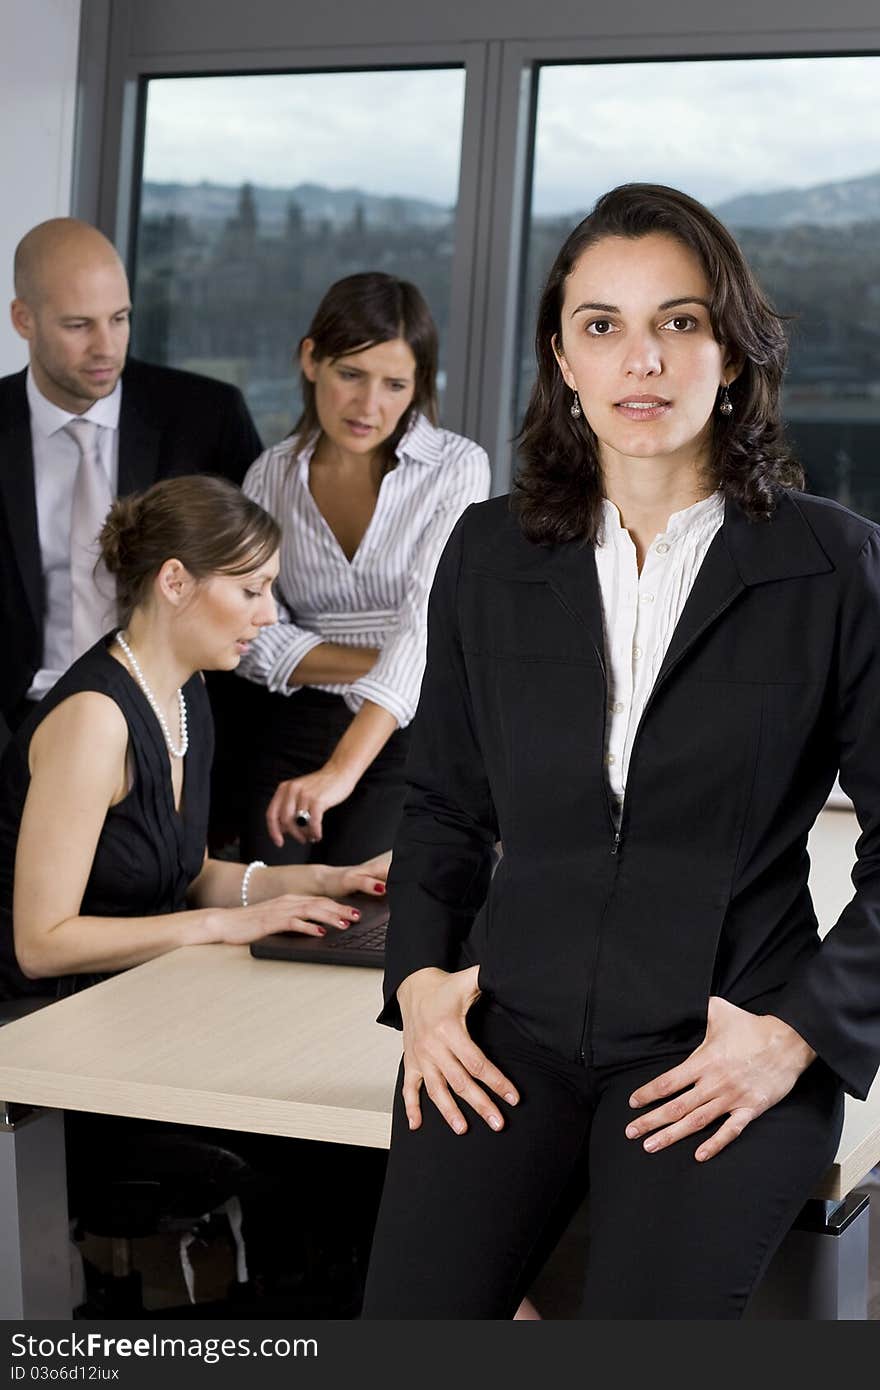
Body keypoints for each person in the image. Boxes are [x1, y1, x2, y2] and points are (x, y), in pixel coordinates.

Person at [361, 183, 880, 1319]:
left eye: (678, 322)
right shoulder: (489, 551)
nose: (639, 361)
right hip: (511, 1029)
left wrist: (799, 1034)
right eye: (603, 325)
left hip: (722, 1042)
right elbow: (444, 802)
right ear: (563, 353)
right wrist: (423, 987)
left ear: (731, 353)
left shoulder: (833, 565)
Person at [0, 473, 389, 1003]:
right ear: (175, 582)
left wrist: (328, 881)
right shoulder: (94, 720)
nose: (269, 614)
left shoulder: (187, 691)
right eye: (251, 589)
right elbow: (41, 945)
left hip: (132, 995)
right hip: (39, 1022)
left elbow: (190, 874)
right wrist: (218, 926)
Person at [234, 271, 490, 866]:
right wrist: (399, 661)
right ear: (310, 360)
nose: (369, 406)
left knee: (359, 924)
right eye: (350, 374)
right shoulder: (268, 477)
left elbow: (427, 624)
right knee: (264, 923)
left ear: (418, 385)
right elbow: (250, 636)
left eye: (395, 384)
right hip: (292, 728)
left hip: (410, 736)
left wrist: (340, 772)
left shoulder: (457, 469)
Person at [0, 217, 262, 755]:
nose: (105, 346)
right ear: (23, 319)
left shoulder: (205, 417)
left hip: (168, 728)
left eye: (119, 319)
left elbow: (254, 575)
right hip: (17, 728)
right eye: (78, 325)